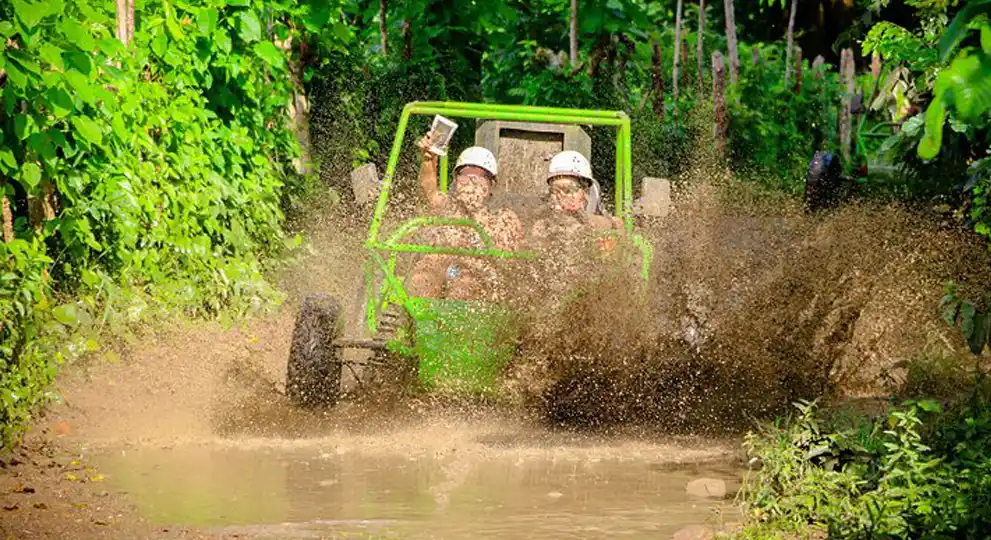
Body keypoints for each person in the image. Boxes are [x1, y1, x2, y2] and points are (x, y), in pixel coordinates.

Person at [408, 134, 525, 301]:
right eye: (465, 175)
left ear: (491, 185)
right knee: (422, 277)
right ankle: (418, 322)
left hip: (476, 283)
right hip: (441, 270)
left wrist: (474, 263)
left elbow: (510, 266)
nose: (471, 184)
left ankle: (447, 325)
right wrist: (428, 159)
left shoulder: (502, 220)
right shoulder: (448, 207)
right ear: (456, 181)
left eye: (478, 177)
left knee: (463, 282)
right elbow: (429, 190)